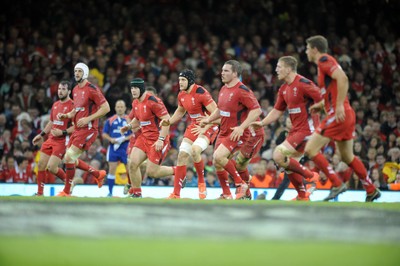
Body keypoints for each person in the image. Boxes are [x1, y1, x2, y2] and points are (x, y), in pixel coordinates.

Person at [304, 35, 380, 202]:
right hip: (345, 114)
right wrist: (321, 104)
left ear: (315, 49)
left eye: (307, 48)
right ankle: (371, 189)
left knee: (310, 150)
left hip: (339, 114)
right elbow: (332, 90)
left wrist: (338, 106)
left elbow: (343, 79)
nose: (306, 51)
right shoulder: (321, 65)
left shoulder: (324, 59)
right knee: (347, 157)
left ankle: (337, 184)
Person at [251, 56, 321, 201]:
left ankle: (311, 177)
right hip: (296, 131)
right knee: (287, 165)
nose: (276, 70)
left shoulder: (303, 83)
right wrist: (262, 123)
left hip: (308, 130)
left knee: (278, 155)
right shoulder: (283, 89)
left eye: (279, 67)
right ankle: (302, 195)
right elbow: (277, 111)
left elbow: (323, 99)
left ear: (288, 69)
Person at [199, 60, 262, 200]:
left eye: (226, 71)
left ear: (235, 73)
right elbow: (220, 110)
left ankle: (241, 185)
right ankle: (227, 194)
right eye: (222, 70)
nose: (222, 73)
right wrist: (208, 120)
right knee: (217, 162)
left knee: (219, 157)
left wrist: (241, 127)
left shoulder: (242, 90)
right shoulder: (223, 88)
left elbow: (257, 110)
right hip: (224, 131)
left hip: (236, 131)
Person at [159, 69, 219, 199]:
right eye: (179, 79)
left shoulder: (201, 93)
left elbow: (218, 115)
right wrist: (168, 122)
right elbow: (180, 112)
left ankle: (201, 182)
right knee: (181, 155)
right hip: (194, 126)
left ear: (190, 81)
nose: (180, 82)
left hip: (209, 125)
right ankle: (176, 194)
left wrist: (206, 126)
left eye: (183, 80)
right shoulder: (181, 94)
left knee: (194, 151)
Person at [56, 62, 110, 196]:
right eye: (75, 71)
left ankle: (67, 191)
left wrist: (88, 119)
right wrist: (67, 115)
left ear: (85, 73)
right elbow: (77, 109)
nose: (77, 74)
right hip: (77, 130)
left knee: (69, 157)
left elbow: (106, 108)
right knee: (68, 159)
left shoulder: (92, 89)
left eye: (79, 71)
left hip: (89, 129)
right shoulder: (75, 89)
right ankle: (98, 174)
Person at [120, 78, 173, 198]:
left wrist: (161, 139)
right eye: (132, 88)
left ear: (142, 89)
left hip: (157, 138)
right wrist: (128, 127)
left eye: (135, 88)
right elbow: (137, 120)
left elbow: (167, 120)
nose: (133, 91)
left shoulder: (153, 101)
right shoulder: (135, 102)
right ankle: (137, 193)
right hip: (144, 137)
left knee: (151, 172)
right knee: (132, 164)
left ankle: (177, 170)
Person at [32, 80, 74, 196]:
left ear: (69, 91)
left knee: (51, 167)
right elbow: (51, 122)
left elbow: (76, 127)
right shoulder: (55, 104)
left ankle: (69, 182)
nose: (60, 91)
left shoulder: (73, 106)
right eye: (59, 89)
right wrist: (41, 135)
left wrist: (63, 132)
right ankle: (40, 194)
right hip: (50, 139)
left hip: (62, 140)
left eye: (63, 89)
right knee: (40, 164)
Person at [102, 99, 132, 197]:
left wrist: (125, 139)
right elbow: (104, 134)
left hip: (126, 147)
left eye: (121, 107)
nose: (119, 109)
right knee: (112, 169)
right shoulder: (110, 120)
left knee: (130, 169)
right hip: (113, 147)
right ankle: (110, 192)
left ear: (125, 108)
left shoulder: (129, 120)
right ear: (115, 108)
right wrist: (110, 139)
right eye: (118, 107)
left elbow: (134, 133)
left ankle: (131, 189)